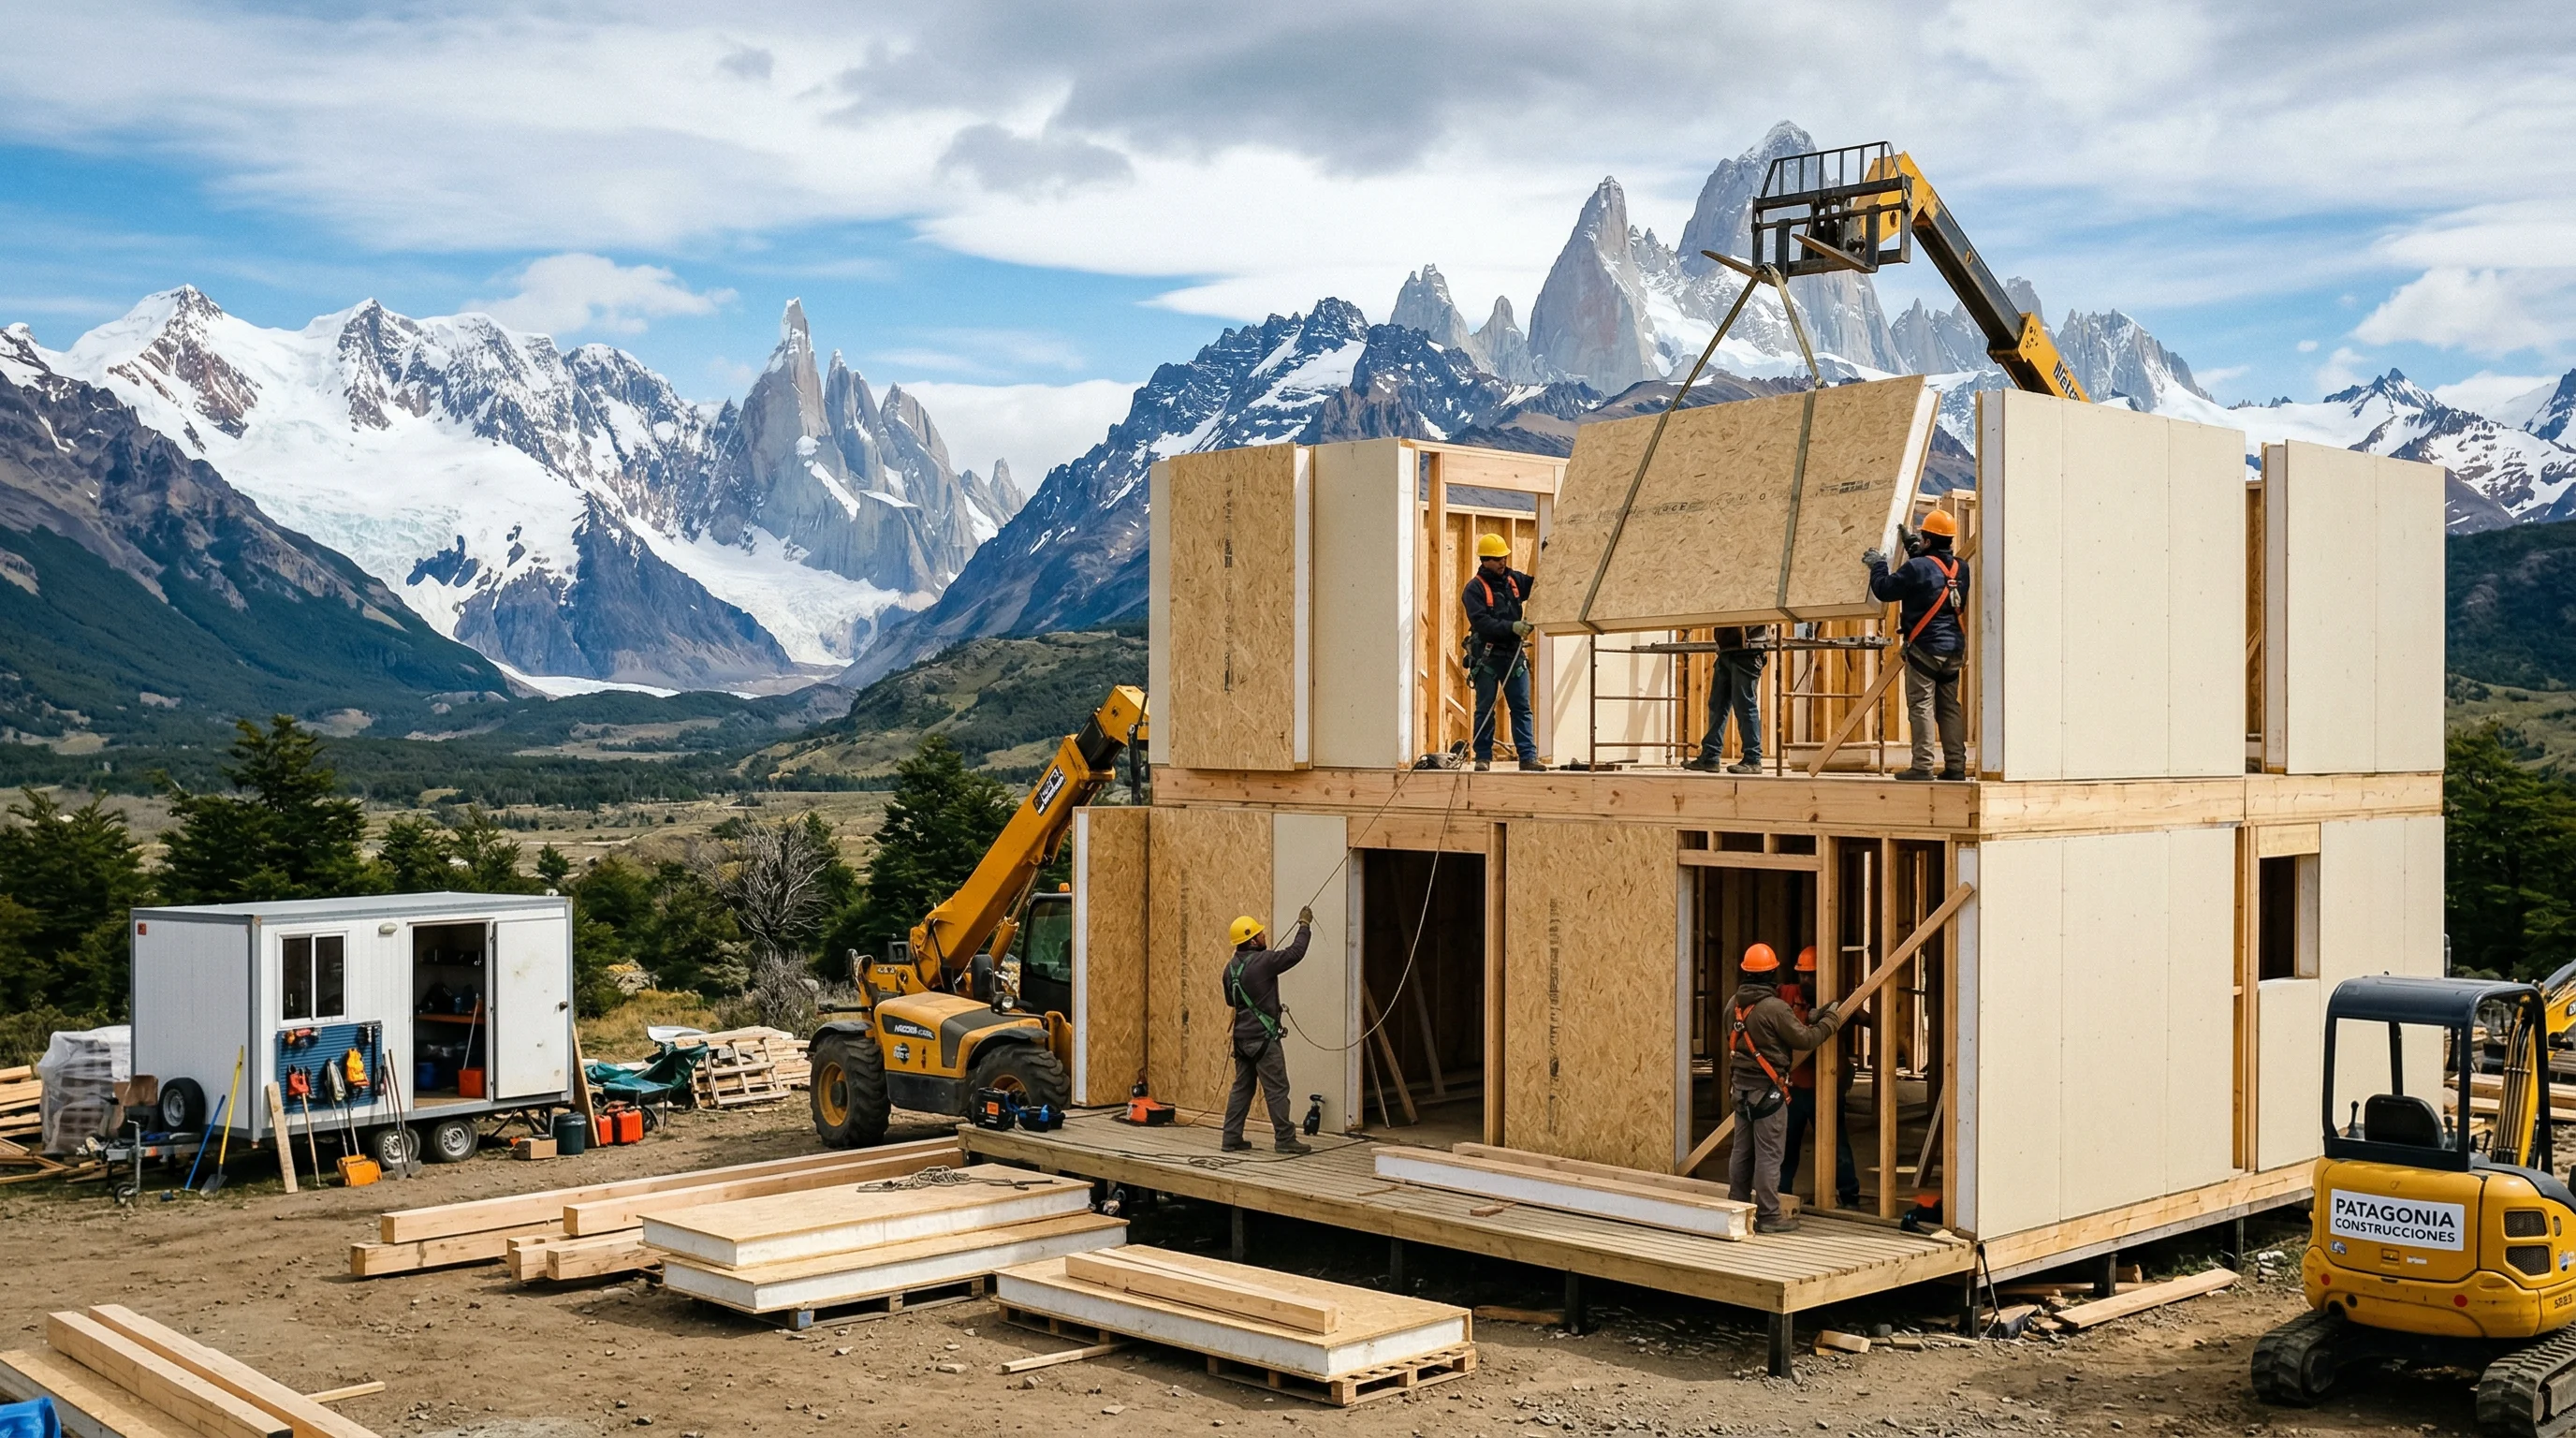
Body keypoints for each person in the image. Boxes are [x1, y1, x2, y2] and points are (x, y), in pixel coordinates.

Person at [1728, 943, 1846, 1234]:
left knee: (1742, 1153)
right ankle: (1769, 1217)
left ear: (1745, 972)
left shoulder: (1734, 1005)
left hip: (1740, 1091)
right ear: (1771, 973)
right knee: (1770, 1157)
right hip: (1768, 1092)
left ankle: (1736, 1210)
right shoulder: (1775, 1008)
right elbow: (1804, 1040)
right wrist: (1831, 1020)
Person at [1864, 508, 1971, 781]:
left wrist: (1878, 564)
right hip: (1954, 650)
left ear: (1927, 541)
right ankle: (1956, 767)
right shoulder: (1961, 568)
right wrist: (1916, 548)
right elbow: (1933, 575)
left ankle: (1922, 766)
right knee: (1948, 707)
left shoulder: (1917, 567)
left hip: (1925, 648)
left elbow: (1885, 589)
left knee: (1921, 705)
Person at [1222, 908, 1315, 1154]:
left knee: (1242, 1087)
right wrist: (1304, 925)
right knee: (1277, 1089)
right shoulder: (1264, 962)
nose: (1264, 936)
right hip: (1263, 1040)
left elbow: (1232, 1002)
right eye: (1260, 934)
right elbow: (1296, 953)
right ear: (1252, 940)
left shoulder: (1229, 969)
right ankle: (1285, 1139)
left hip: (1242, 1041)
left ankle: (1231, 1138)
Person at [1777, 946, 1860, 1210]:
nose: (1806, 981)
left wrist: (1847, 1012)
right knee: (1786, 1147)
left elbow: (1866, 1019)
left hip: (1827, 1086)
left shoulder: (1835, 999)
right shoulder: (1786, 994)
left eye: (1811, 975)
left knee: (1837, 1147)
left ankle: (1849, 1197)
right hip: (1795, 1087)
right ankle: (1780, 1197)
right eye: (1803, 975)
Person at [1462, 534, 1544, 772]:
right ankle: (1483, 757)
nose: (1502, 563)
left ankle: (1528, 757)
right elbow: (1482, 622)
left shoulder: (1514, 581)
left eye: (1504, 558)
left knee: (1521, 707)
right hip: (1487, 656)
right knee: (1485, 707)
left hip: (1513, 656)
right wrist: (1512, 627)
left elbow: (1540, 585)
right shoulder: (1474, 589)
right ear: (1485, 560)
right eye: (1497, 559)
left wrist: (1549, 556)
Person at [1684, 624, 1770, 774]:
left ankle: (1753, 759)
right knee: (1717, 704)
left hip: (1748, 648)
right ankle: (1710, 756)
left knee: (1744, 705)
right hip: (1727, 649)